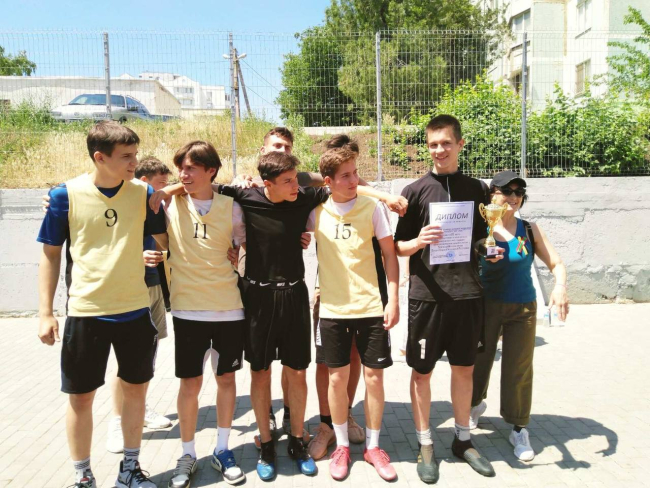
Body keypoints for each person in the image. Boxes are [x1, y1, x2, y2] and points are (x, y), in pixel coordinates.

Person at [151, 151, 404, 481]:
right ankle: (267, 444)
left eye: (296, 179)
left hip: (295, 295)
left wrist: (385, 196)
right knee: (260, 372)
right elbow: (201, 185)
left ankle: (297, 441)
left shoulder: (305, 198)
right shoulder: (246, 196)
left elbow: (340, 185)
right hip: (257, 298)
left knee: (297, 372)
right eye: (287, 181)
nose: (295, 186)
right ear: (266, 184)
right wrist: (165, 191)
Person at [37, 121, 165, 488]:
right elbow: (50, 255)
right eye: (126, 156)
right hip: (86, 312)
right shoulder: (64, 196)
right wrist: (45, 313)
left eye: (135, 154)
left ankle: (130, 470)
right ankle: (83, 476)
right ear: (100, 157)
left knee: (135, 392)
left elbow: (164, 235)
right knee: (81, 398)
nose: (134, 162)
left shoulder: (143, 193)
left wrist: (159, 252)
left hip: (135, 310)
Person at [394, 114, 497, 483]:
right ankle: (425, 444)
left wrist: (489, 250)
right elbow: (397, 246)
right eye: (433, 144)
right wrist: (418, 241)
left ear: (460, 145)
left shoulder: (478, 190)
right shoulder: (414, 191)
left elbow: (483, 238)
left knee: (464, 369)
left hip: (468, 294)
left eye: (446, 143)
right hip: (428, 297)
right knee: (422, 372)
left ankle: (463, 440)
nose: (439, 150)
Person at [151, 141, 247, 488]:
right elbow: (137, 198)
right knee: (190, 384)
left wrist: (240, 257)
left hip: (229, 308)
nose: (183, 174)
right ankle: (188, 453)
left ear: (211, 171)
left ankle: (222, 449)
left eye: (191, 168)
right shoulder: (168, 205)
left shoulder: (232, 207)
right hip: (188, 310)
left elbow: (244, 246)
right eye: (180, 168)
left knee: (226, 380)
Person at [308, 147, 399, 481]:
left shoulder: (372, 208)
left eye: (355, 173)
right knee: (336, 378)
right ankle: (342, 445)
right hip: (332, 310)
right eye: (345, 176)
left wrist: (393, 300)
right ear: (328, 181)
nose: (354, 180)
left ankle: (373, 447)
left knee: (375, 377)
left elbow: (390, 255)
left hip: (371, 307)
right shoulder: (315, 212)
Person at [470, 170, 569, 462]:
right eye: (506, 191)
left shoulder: (529, 229)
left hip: (522, 307)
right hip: (484, 306)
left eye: (518, 192)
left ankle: (518, 427)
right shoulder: (479, 227)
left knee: (519, 369)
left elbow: (557, 263)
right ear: (492, 195)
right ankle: (474, 404)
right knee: (478, 362)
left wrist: (560, 287)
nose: (513, 197)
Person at [105, 157, 172, 454]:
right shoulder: (124, 200)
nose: (164, 190)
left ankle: (140, 410)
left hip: (153, 284)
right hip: (128, 289)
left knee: (147, 356)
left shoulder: (156, 204)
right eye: (160, 184)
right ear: (144, 183)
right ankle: (117, 421)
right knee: (126, 360)